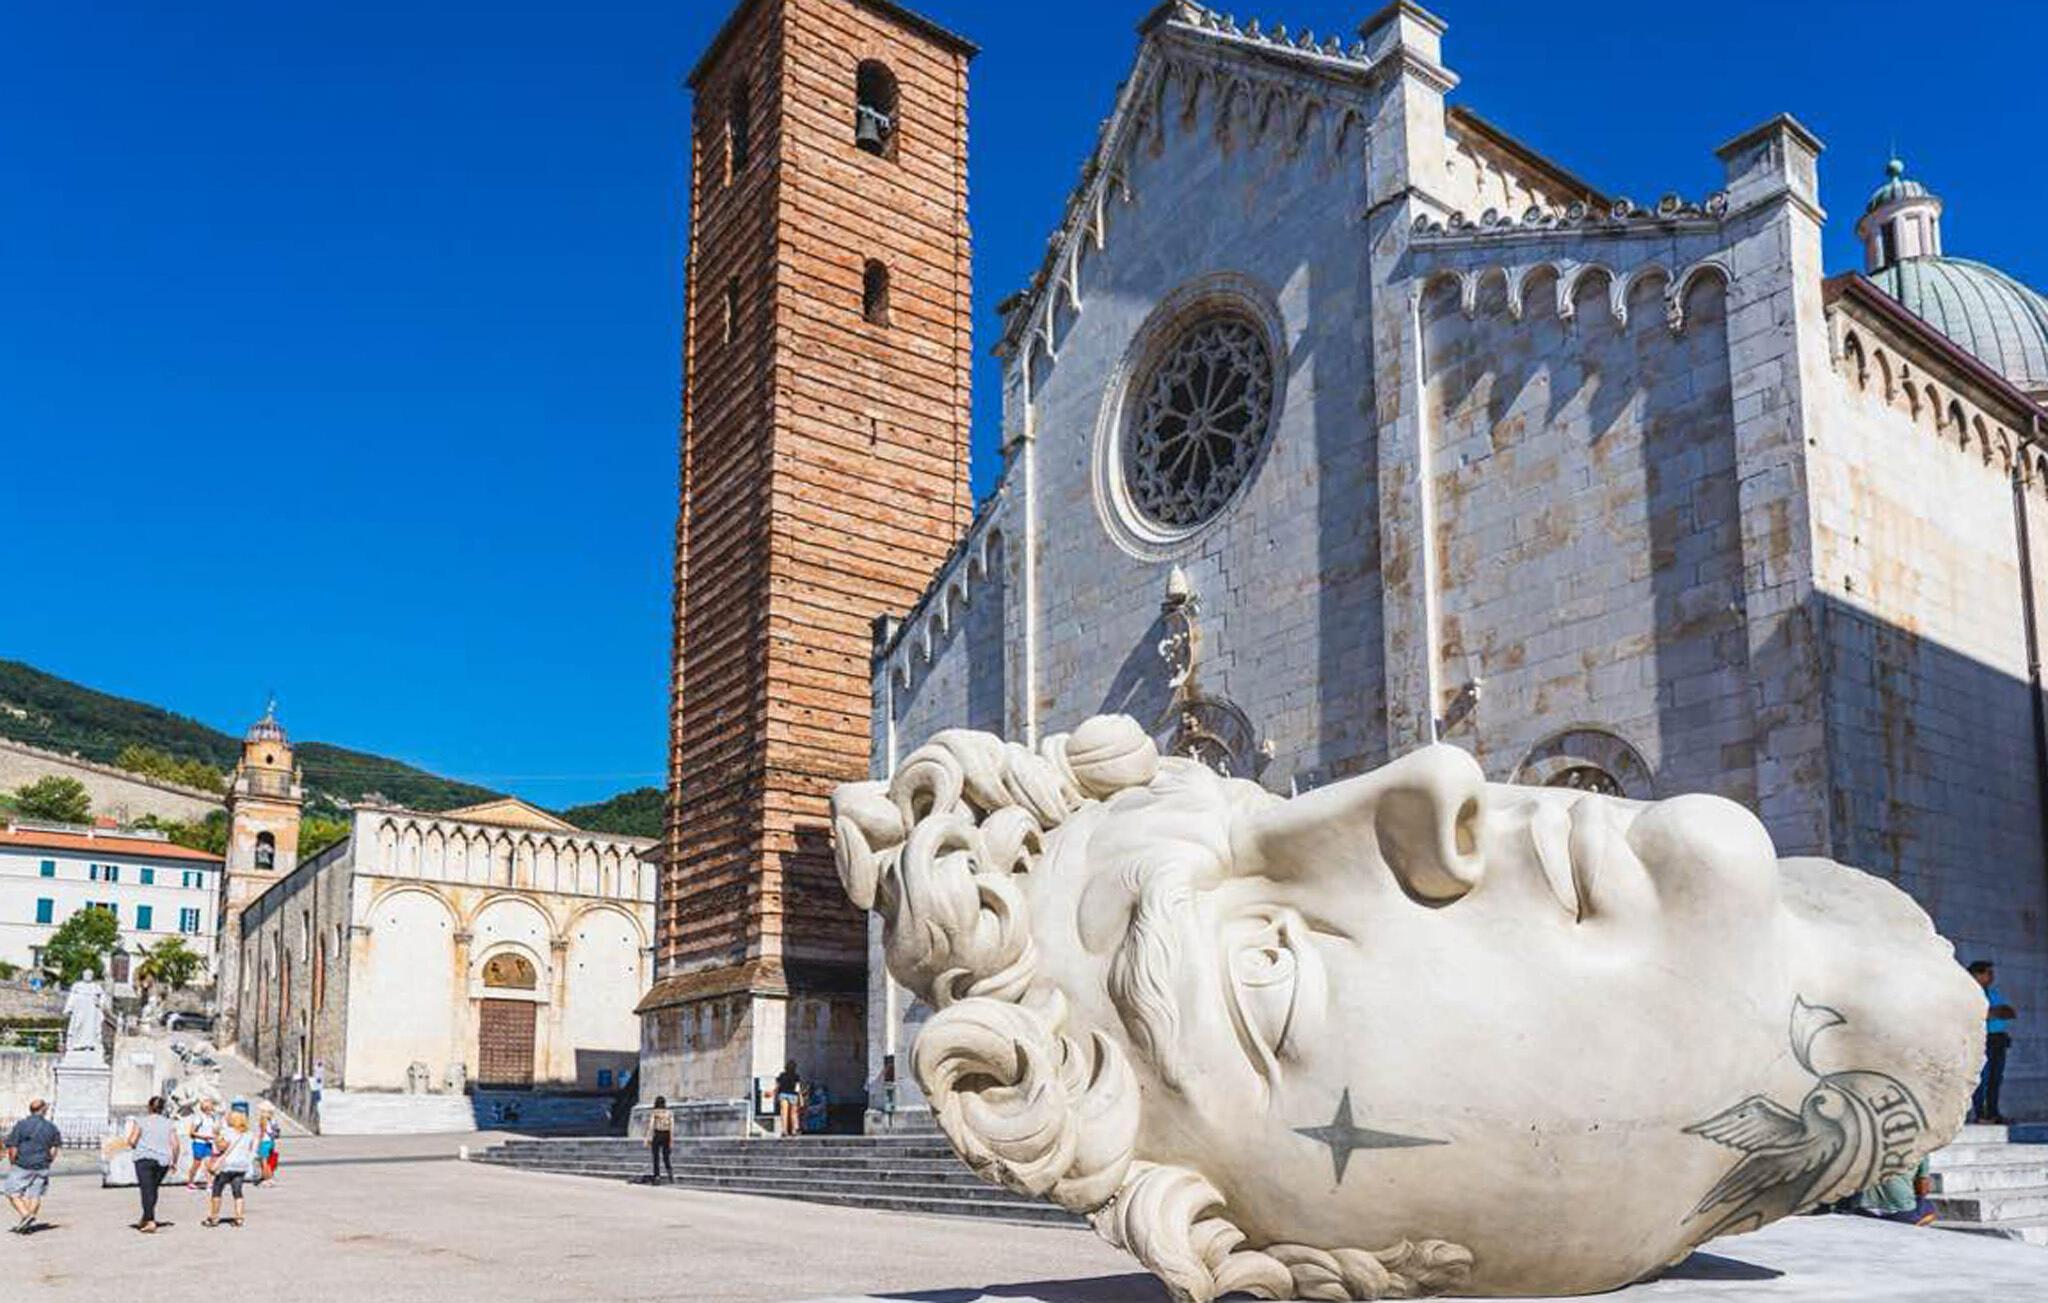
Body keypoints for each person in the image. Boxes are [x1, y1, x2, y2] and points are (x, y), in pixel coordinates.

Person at [1970, 960, 2019, 1125]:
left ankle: (1993, 1112)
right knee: (1982, 1077)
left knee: (1995, 1078)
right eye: (1988, 973)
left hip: (1998, 1039)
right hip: (1983, 1039)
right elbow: (1978, 1014)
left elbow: (2010, 1012)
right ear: (1977, 975)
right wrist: (1992, 1012)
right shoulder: (1971, 994)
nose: (1992, 977)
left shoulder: (1993, 993)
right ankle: (1981, 1113)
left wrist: (1992, 1012)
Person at [4, 1099, 62, 1233]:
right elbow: (54, 1149)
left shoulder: (21, 1125)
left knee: (11, 1192)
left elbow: (13, 1147)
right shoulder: (51, 1127)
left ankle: (26, 1215)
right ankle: (27, 1224)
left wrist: (13, 1162)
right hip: (42, 1165)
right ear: (43, 1110)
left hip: (23, 1164)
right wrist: (48, 1161)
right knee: (35, 1195)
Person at [125, 1096, 182, 1233]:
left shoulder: (141, 1121)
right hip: (163, 1160)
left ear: (149, 1107)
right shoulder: (169, 1123)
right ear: (162, 1108)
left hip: (144, 1158)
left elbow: (132, 1140)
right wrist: (174, 1162)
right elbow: (175, 1145)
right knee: (153, 1189)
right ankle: (146, 1217)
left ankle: (150, 1221)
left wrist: (135, 1145)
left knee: (146, 1190)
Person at [203, 1111, 258, 1228]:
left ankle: (214, 1217)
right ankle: (239, 1218)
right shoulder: (249, 1134)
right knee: (237, 1192)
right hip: (241, 1166)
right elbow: (253, 1150)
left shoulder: (228, 1133)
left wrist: (216, 1137)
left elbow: (221, 1148)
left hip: (227, 1166)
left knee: (217, 1190)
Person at [184, 1097, 219, 1189]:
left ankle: (210, 1183)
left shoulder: (212, 1118)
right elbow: (192, 1132)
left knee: (208, 1163)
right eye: (211, 1106)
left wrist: (215, 1135)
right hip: (199, 1143)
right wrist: (204, 1136)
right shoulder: (199, 1118)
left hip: (208, 1143)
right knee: (197, 1163)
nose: (213, 1108)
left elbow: (213, 1130)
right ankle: (190, 1181)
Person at [647, 1095, 674, 1183]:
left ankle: (657, 1176)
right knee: (666, 1156)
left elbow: (651, 1126)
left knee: (656, 1157)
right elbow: (672, 1127)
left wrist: (648, 1138)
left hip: (658, 1134)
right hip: (666, 1134)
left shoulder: (655, 1113)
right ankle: (670, 1173)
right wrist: (671, 1139)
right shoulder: (669, 1113)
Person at [254, 1104, 281, 1186]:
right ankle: (270, 1178)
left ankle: (266, 1179)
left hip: (264, 1142)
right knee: (269, 1162)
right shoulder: (273, 1120)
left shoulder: (263, 1120)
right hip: (271, 1142)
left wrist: (258, 1143)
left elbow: (262, 1133)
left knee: (264, 1162)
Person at [774, 1061, 802, 1138]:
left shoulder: (782, 1075)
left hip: (783, 1094)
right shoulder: (796, 1076)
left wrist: (774, 1094)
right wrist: (800, 1098)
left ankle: (784, 1130)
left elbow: (777, 1086)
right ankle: (793, 1130)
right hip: (793, 1095)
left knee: (784, 1113)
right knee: (793, 1114)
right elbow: (798, 1088)